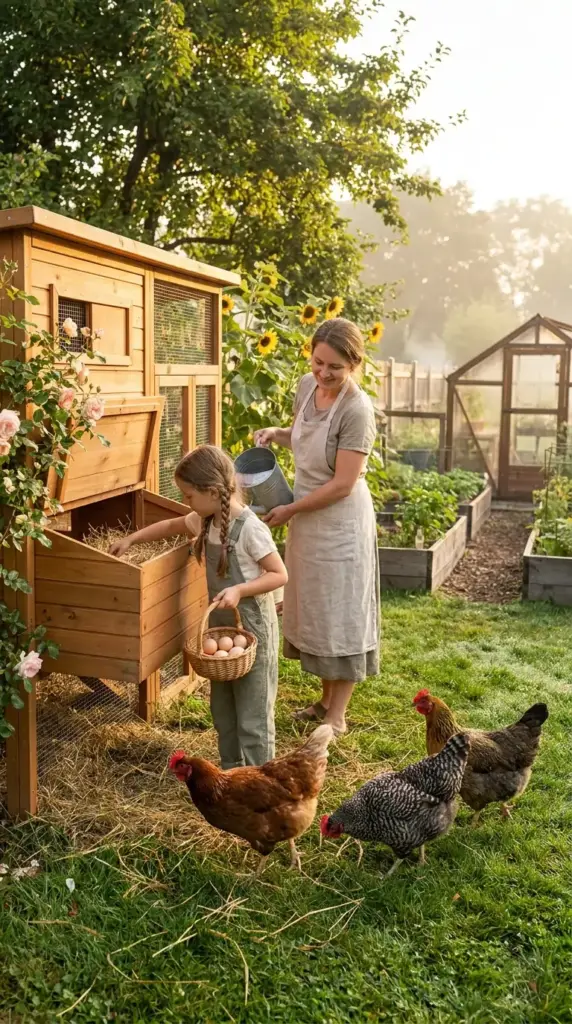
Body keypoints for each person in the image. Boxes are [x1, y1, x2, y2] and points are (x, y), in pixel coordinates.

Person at [109, 445, 287, 769]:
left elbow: (279, 573)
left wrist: (239, 589)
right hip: (221, 628)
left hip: (252, 631)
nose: (185, 502)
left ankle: (263, 783)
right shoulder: (205, 521)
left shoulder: (250, 529)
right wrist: (131, 540)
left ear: (213, 491)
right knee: (223, 713)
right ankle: (233, 777)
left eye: (189, 495)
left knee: (254, 717)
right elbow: (169, 527)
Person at [255, 318, 380, 737]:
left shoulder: (357, 411)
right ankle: (324, 700)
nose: (324, 373)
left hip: (340, 522)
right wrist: (277, 433)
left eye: (335, 368)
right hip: (307, 514)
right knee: (316, 609)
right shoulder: (307, 388)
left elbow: (343, 483)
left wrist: (291, 510)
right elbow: (308, 438)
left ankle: (337, 716)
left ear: (354, 365)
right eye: (318, 362)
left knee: (340, 612)